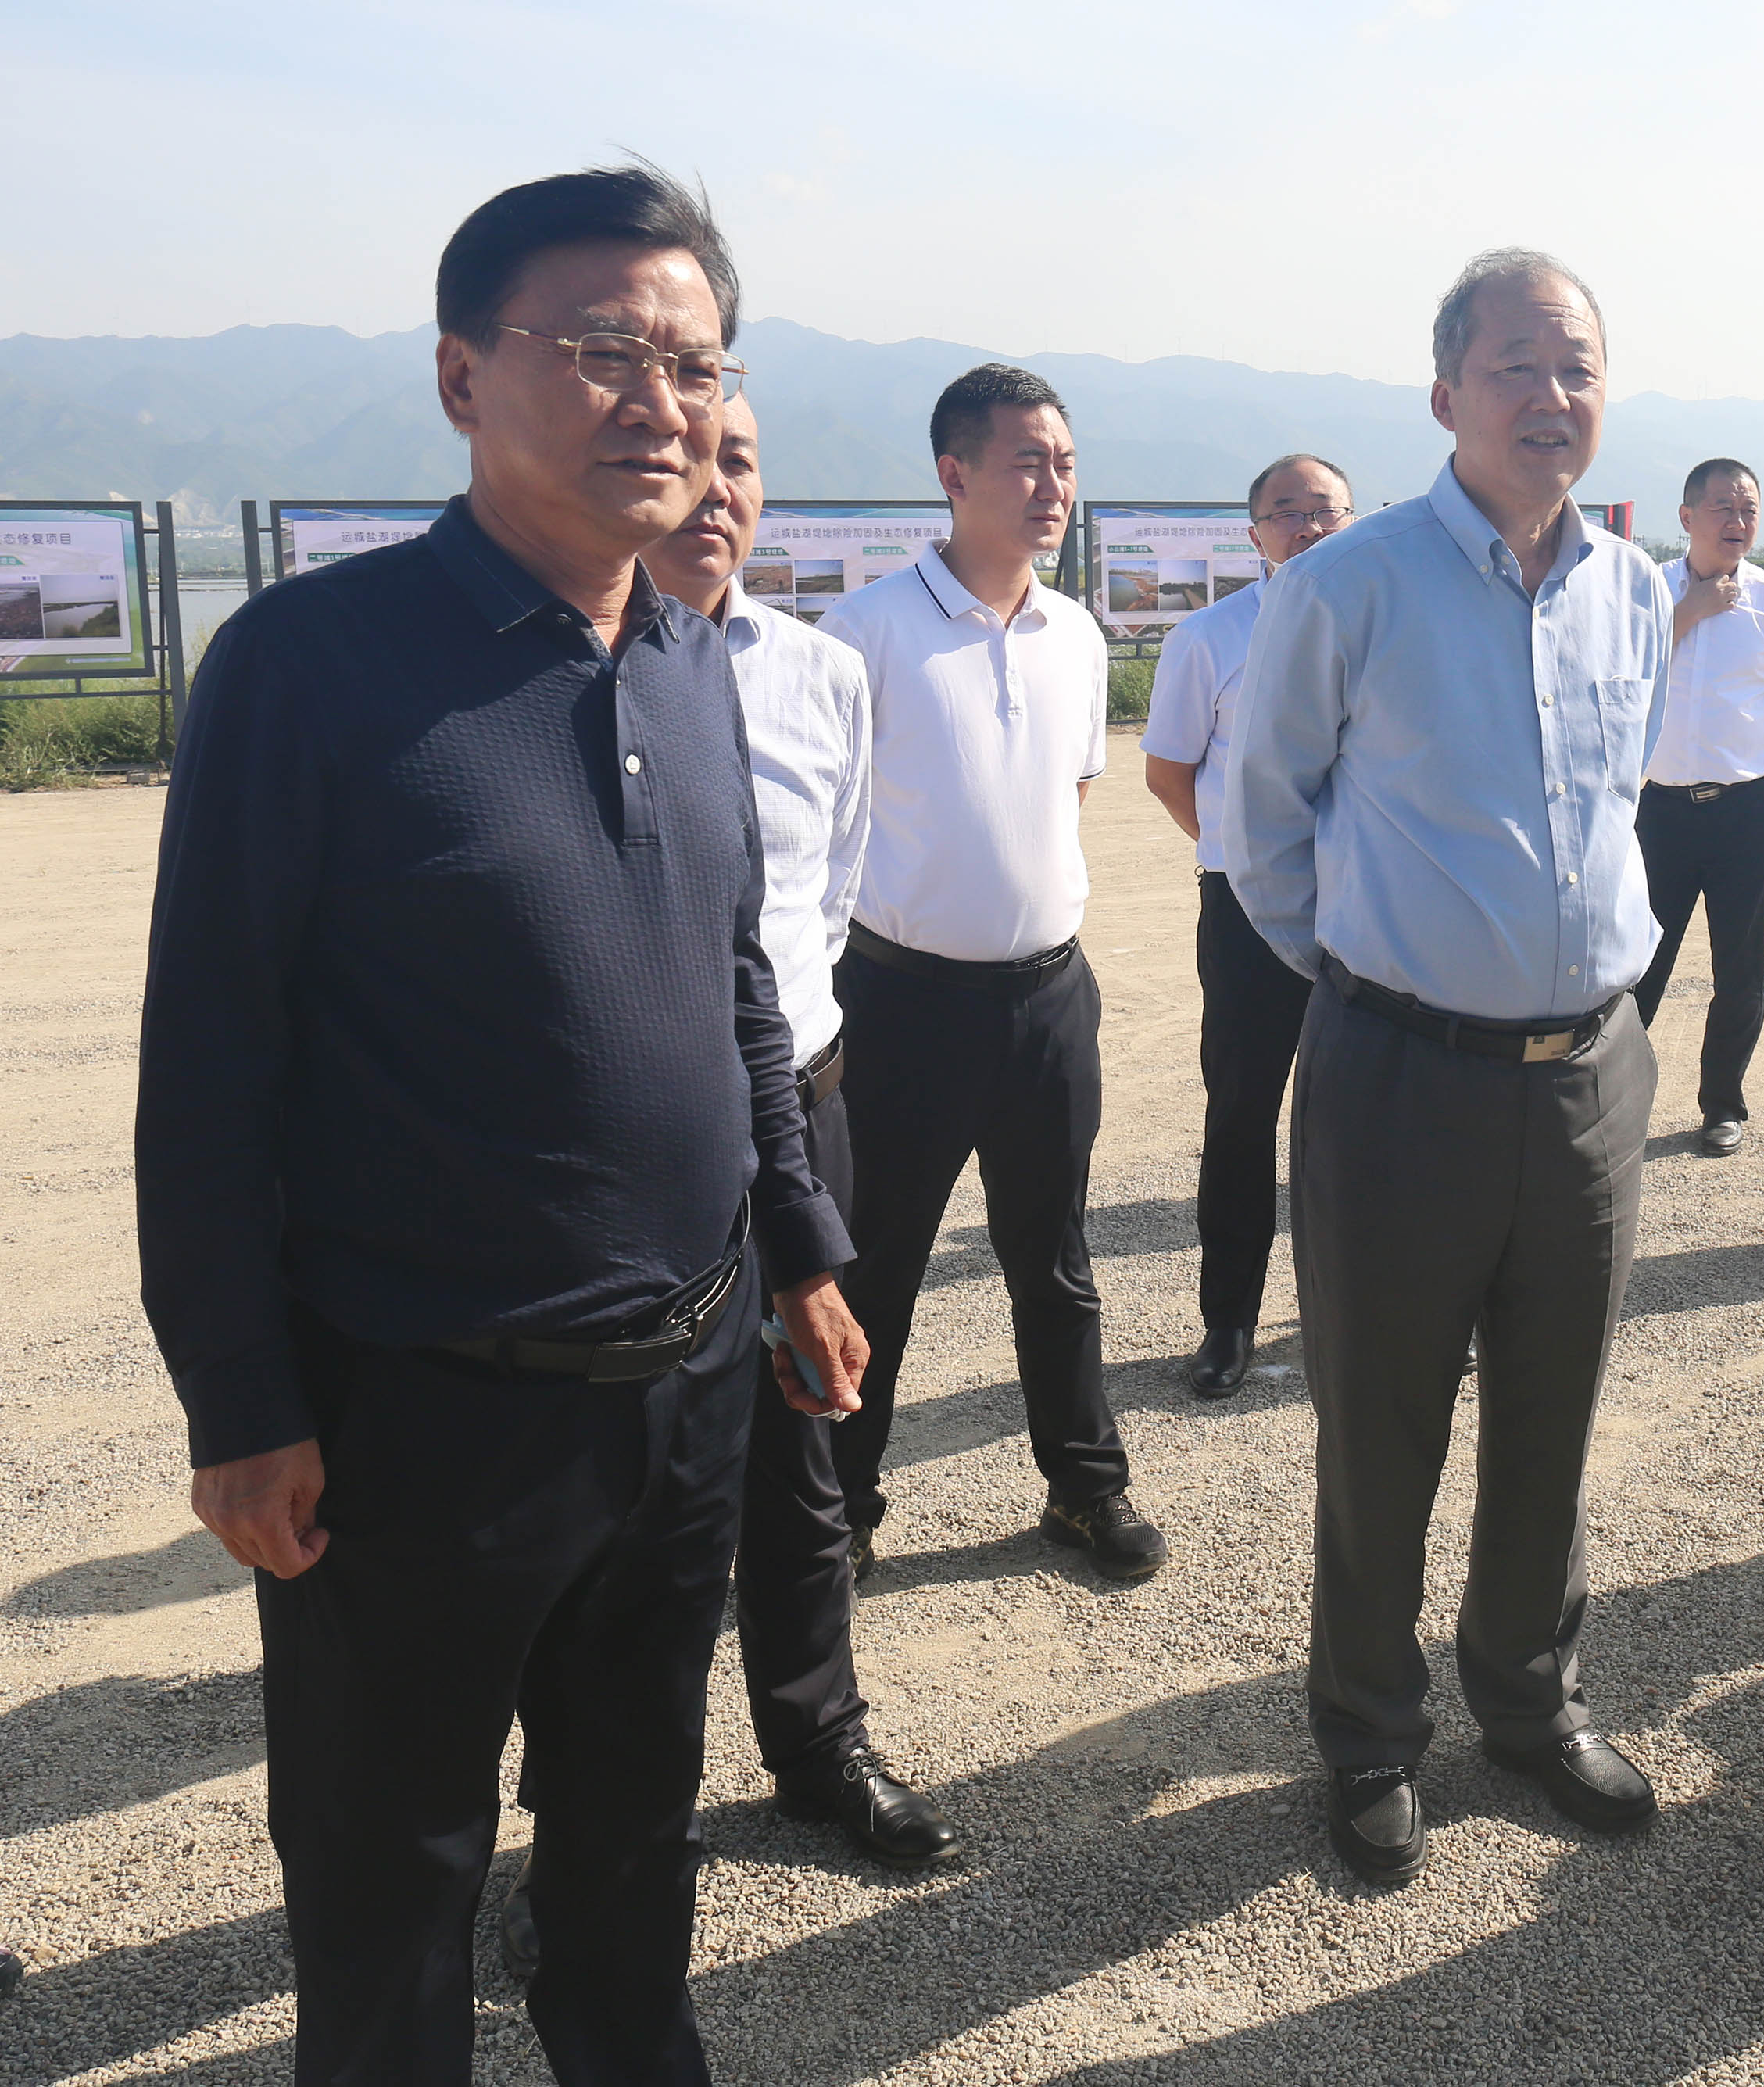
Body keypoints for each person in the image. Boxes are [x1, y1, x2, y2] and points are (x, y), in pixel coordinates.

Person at [138, 165, 868, 2084]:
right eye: (605, 348)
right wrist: (238, 1397)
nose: (662, 401)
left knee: (632, 1829)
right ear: (465, 377)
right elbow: (208, 1059)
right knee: (392, 1876)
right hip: (419, 1415)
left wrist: (799, 1247)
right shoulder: (313, 667)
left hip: (686, 1391)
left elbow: (738, 980)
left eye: (696, 362)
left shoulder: (694, 663)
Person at [495, 397, 954, 1983]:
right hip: (624, 1151)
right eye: (692, 451)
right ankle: (589, 1826)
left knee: (802, 1460)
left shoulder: (821, 674)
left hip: (799, 1114)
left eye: (743, 458)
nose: (713, 483)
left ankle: (818, 1747)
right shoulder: (543, 672)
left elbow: (821, 902)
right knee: (605, 1494)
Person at [1227, 249, 1670, 1886]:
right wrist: (1382, 986)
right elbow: (1262, 827)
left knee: (1554, 1411)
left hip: (1590, 1076)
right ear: (1445, 396)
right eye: (1514, 367)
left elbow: (1611, 813)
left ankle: (1530, 1702)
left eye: (1577, 367)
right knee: (1384, 1420)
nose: (1551, 397)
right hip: (1402, 1075)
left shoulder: (1633, 592)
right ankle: (1367, 1731)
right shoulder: (1351, 585)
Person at [818, 365, 1167, 1583]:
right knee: (876, 1267)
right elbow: (824, 827)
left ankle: (1085, 1486)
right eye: (1027, 461)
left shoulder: (1075, 634)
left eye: (1063, 462)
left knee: (1054, 1261)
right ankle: (839, 1507)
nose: (1052, 484)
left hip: (1048, 1002)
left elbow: (1066, 796)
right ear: (953, 474)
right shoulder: (866, 632)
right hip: (902, 1006)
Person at [1142, 454, 1353, 1394]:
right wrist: (1239, 851)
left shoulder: (1387, 627)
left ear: (1353, 521)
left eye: (1326, 512)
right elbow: (1168, 772)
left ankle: (1365, 1311)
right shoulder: (1210, 637)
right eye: (1287, 512)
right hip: (1248, 912)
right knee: (1241, 1115)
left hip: (1367, 904)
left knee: (1367, 1117)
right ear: (1255, 533)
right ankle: (1228, 1322)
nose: (1308, 528)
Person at [1631, 458, 1764, 1154]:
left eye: (1748, 510)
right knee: (1638, 960)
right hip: (1659, 809)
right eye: (1723, 508)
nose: (1737, 522)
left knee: (1740, 965)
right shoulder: (1646, 590)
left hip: (1748, 808)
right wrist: (1689, 613)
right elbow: (1618, 675)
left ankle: (1722, 1105)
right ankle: (1610, 1103)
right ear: (1687, 518)